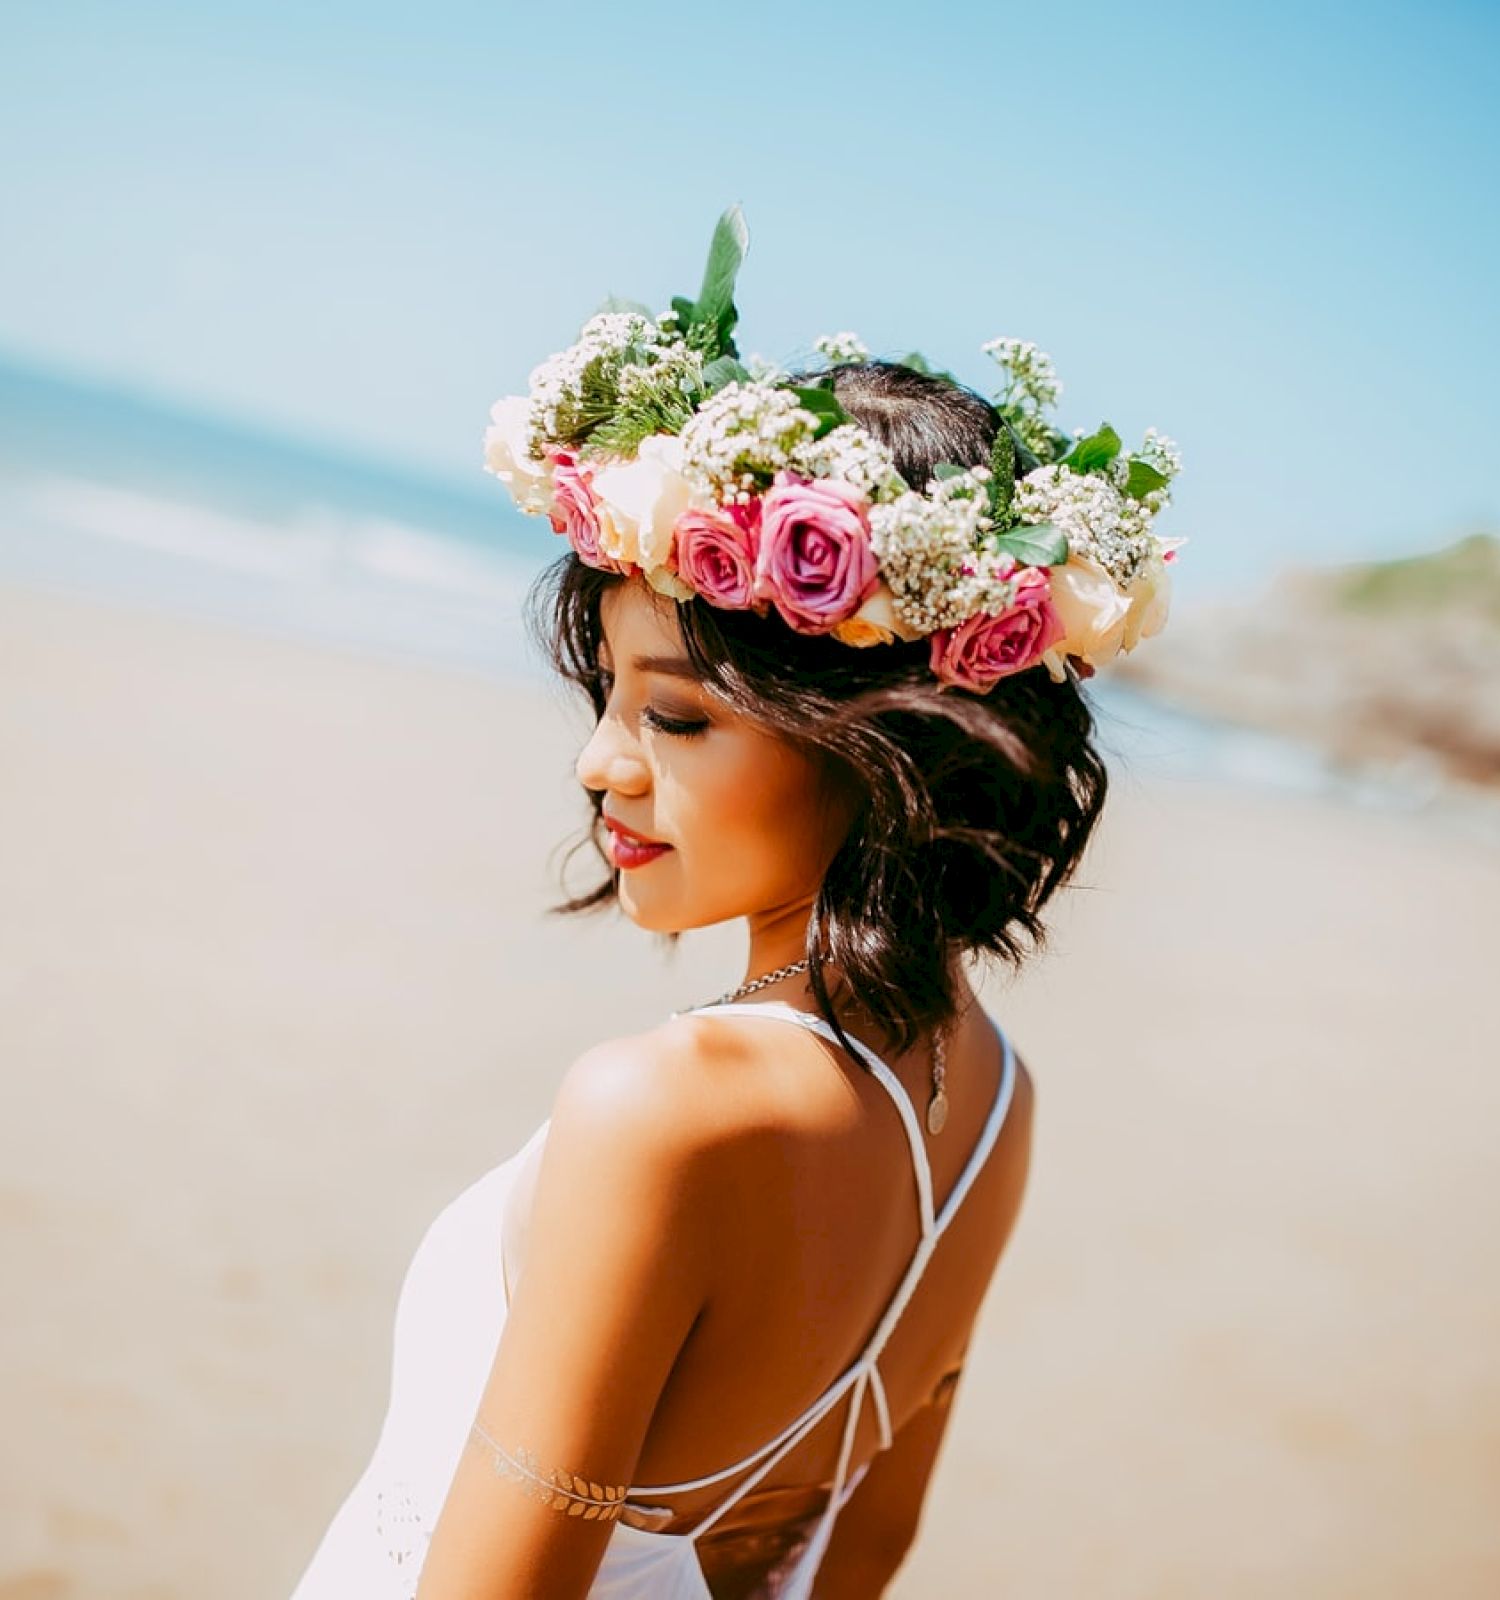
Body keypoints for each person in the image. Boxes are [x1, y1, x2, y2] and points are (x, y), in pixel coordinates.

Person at [287, 209, 1183, 1599]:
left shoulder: (667, 1107)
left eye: (678, 719)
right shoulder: (993, 1099)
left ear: (877, 738)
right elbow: (861, 1553)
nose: (600, 766)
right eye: (606, 701)